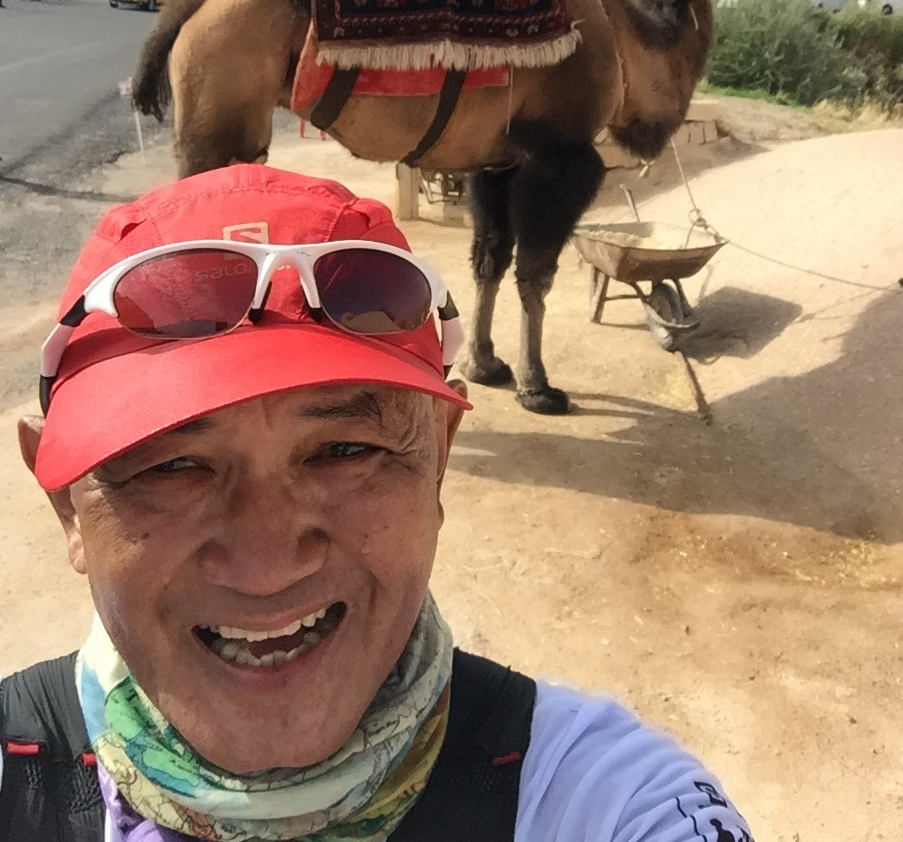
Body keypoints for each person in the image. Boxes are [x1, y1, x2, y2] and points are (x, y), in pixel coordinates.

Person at [2, 164, 754, 842]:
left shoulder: (604, 804)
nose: (267, 565)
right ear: (67, 502)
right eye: (173, 466)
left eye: (343, 451)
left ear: (438, 463)